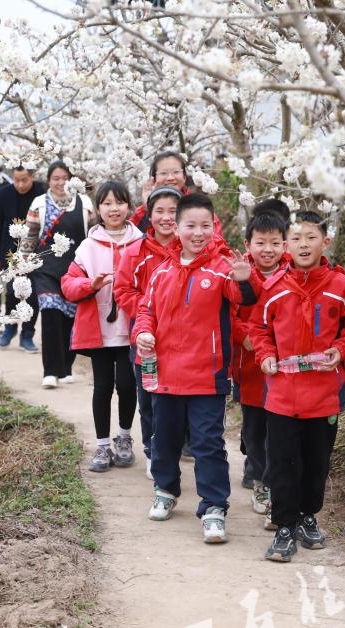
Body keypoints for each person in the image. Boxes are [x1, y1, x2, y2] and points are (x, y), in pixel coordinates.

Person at [249, 210, 345, 562]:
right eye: (297, 238)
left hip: (323, 395)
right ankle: (284, 526)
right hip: (282, 395)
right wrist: (266, 355)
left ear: (326, 242)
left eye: (311, 237)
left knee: (316, 460)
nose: (304, 244)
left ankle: (308, 515)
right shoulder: (273, 289)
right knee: (282, 462)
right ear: (286, 245)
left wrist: (342, 349)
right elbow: (258, 329)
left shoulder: (342, 288)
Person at [132, 193, 255, 544]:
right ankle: (166, 490)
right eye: (191, 226)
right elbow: (146, 310)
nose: (198, 233)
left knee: (207, 443)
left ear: (213, 227)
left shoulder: (221, 269)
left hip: (207, 376)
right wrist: (143, 333)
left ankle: (214, 508)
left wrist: (245, 279)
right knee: (164, 439)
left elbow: (242, 297)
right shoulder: (162, 271)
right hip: (166, 376)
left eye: (205, 226)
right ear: (177, 228)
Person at [62, 180, 143, 472]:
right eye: (107, 203)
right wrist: (89, 285)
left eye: (119, 202)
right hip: (99, 328)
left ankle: (124, 437)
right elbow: (68, 285)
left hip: (130, 326)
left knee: (127, 383)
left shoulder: (141, 243)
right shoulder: (87, 247)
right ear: (97, 209)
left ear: (129, 207)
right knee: (103, 387)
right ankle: (102, 445)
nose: (114, 209)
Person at [114, 186, 181, 480]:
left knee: (177, 402)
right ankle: (153, 453)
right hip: (146, 342)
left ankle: (172, 453)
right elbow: (123, 290)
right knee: (149, 400)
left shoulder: (191, 250)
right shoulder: (135, 252)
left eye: (173, 212)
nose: (167, 218)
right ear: (149, 216)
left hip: (183, 344)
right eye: (160, 211)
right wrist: (150, 311)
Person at [231, 207, 289, 525]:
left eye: (275, 243)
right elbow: (230, 313)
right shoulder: (239, 271)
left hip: (282, 366)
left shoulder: (293, 273)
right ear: (248, 243)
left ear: (285, 245)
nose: (268, 250)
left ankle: (271, 483)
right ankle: (258, 479)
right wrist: (244, 337)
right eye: (261, 242)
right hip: (250, 365)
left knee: (277, 432)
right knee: (254, 431)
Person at [23, 161, 94, 388]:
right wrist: (22, 264)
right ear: (49, 181)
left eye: (65, 177)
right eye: (56, 178)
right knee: (51, 313)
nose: (60, 182)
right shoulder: (39, 204)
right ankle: (50, 371)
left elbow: (93, 236)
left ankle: (66, 367)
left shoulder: (84, 203)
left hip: (75, 270)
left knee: (70, 319)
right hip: (45, 269)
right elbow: (30, 237)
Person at [0, 165, 46, 352]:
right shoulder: (4, 194)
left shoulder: (42, 191)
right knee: (12, 293)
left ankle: (27, 335)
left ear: (32, 177)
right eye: (16, 180)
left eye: (24, 180)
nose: (20, 184)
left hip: (37, 250)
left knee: (34, 296)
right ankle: (10, 328)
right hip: (11, 250)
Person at [129, 150, 224, 238]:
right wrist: (148, 207)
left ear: (184, 177)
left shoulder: (201, 208)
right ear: (153, 178)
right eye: (163, 173)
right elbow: (127, 240)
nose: (170, 178)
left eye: (176, 172)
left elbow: (217, 245)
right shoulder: (143, 211)